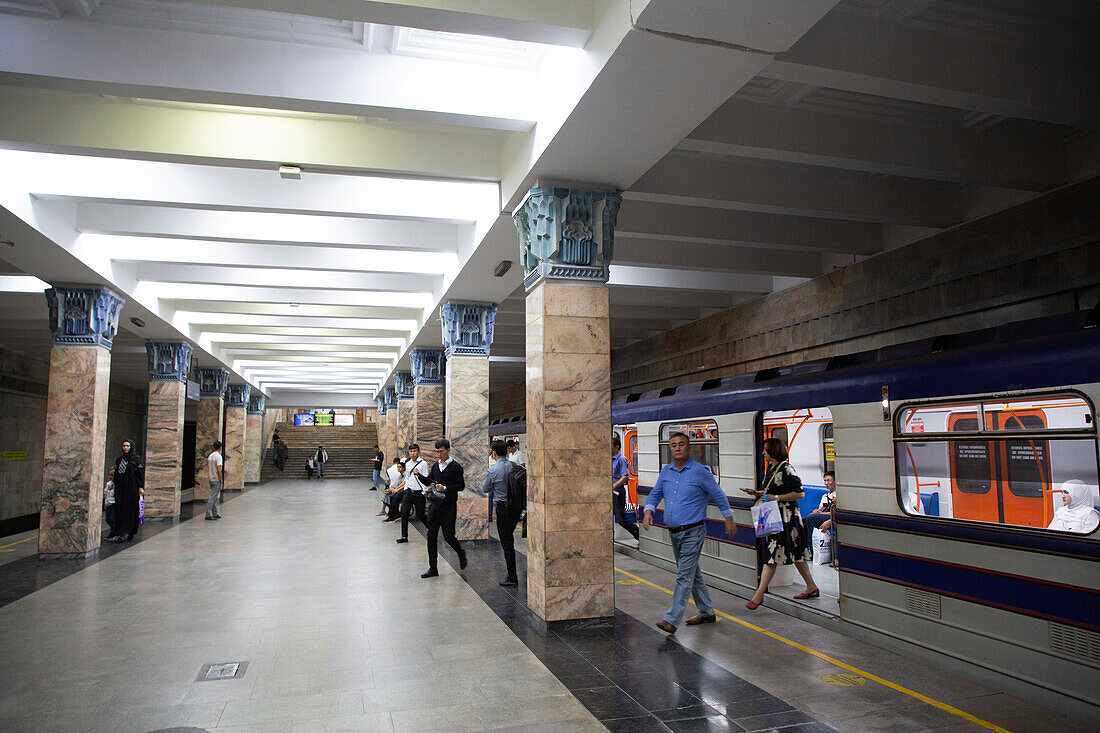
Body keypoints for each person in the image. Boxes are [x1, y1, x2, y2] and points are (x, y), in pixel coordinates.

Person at [642, 432, 736, 634]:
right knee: (692, 573)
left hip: (693, 530)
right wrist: (648, 510)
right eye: (673, 445)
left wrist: (729, 518)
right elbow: (656, 492)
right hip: (674, 532)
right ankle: (706, 611)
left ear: (689, 447)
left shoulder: (700, 472)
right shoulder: (666, 471)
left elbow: (718, 494)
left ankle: (672, 619)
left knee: (684, 575)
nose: (677, 448)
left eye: (681, 444)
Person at [742, 438, 819, 609]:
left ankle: (759, 595)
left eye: (766, 450)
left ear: (773, 451)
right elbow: (774, 490)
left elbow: (800, 494)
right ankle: (812, 587)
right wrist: (758, 493)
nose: (763, 452)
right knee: (798, 554)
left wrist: (775, 498)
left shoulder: (787, 469)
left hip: (787, 518)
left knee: (772, 554)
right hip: (778, 516)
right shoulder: (771, 469)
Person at [421, 439, 468, 578]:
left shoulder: (456, 467)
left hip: (448, 507)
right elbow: (430, 480)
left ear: (448, 450)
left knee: (448, 536)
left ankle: (460, 552)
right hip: (435, 507)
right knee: (431, 537)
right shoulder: (436, 466)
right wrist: (419, 476)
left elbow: (461, 486)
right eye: (437, 452)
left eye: (441, 451)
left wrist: (446, 488)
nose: (439, 454)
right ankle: (433, 568)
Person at [484, 440, 518, 586]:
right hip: (515, 508)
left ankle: (512, 577)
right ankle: (512, 575)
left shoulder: (492, 471)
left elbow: (486, 488)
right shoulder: (513, 466)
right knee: (509, 540)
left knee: (506, 542)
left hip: (502, 509)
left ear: (494, 453)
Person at [107, 439, 144, 542]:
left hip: (131, 488)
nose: (125, 448)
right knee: (120, 510)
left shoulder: (136, 460)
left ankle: (130, 531)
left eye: (127, 446)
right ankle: (121, 533)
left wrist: (140, 487)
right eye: (124, 446)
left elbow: (139, 474)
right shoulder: (119, 460)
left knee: (130, 510)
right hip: (120, 489)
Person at [395, 444, 430, 542]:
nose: (412, 453)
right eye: (410, 451)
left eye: (414, 451)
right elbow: (407, 477)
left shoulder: (423, 463)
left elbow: (425, 478)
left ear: (418, 451)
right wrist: (406, 488)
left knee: (420, 514)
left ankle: (430, 529)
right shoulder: (408, 463)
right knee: (404, 512)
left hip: (419, 493)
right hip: (409, 492)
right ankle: (404, 536)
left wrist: (424, 491)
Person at [612, 436, 639, 541]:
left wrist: (613, 486)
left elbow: (625, 477)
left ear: (616, 447)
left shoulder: (621, 459)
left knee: (621, 519)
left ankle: (638, 535)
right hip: (611, 491)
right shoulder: (608, 459)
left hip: (617, 491)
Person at [206, 441, 224, 521]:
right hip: (216, 478)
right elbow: (219, 470)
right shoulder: (218, 457)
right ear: (220, 447)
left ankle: (215, 513)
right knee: (213, 497)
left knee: (214, 496)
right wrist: (221, 480)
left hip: (210, 478)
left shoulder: (210, 456)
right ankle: (208, 514)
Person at [103, 468, 116, 538]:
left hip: (114, 503)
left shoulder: (117, 483)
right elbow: (106, 493)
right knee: (107, 519)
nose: (110, 476)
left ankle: (113, 532)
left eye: (112, 475)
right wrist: (105, 503)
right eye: (109, 475)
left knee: (112, 519)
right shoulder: (108, 484)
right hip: (108, 503)